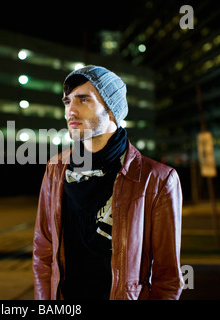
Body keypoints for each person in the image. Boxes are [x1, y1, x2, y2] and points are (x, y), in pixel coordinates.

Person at [32, 65, 184, 300]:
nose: (71, 111)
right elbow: (43, 254)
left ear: (111, 110)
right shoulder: (55, 169)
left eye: (83, 100)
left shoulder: (157, 179)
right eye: (67, 102)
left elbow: (168, 277)